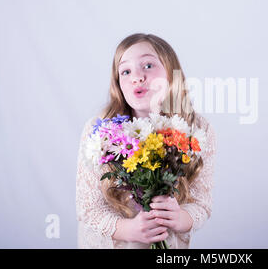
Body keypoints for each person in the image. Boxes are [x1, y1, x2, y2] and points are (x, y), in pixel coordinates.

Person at [75, 33, 216, 248]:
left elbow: (201, 203)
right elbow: (87, 208)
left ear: (170, 73)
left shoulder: (197, 130)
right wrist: (128, 230)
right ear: (118, 83)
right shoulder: (101, 130)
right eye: (126, 71)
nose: (136, 77)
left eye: (148, 65)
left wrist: (181, 218)